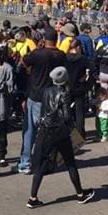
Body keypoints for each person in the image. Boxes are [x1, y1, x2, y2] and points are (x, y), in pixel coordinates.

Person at [26, 66, 95, 209]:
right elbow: (66, 116)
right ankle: (80, 194)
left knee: (40, 164)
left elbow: (44, 111)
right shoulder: (65, 93)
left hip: (46, 130)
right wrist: (71, 128)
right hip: (60, 132)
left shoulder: (46, 91)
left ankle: (32, 197)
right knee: (70, 163)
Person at [18, 27, 65, 174]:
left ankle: (26, 163)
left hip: (36, 96)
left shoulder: (38, 54)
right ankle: (46, 161)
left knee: (30, 131)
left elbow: (23, 60)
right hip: (53, 98)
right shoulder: (61, 55)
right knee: (48, 132)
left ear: (44, 40)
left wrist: (30, 66)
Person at [0, 46, 14, 167]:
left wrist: (1, 87)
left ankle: (2, 155)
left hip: (1, 104)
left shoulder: (7, 68)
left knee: (1, 131)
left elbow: (10, 87)